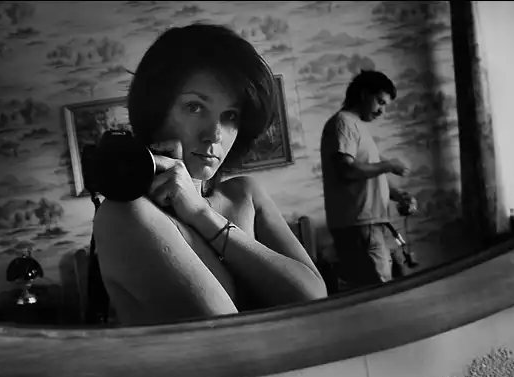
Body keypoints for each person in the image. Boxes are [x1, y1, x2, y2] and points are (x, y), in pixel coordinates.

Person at [93, 24, 327, 326]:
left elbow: (314, 298)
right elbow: (226, 337)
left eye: (230, 116)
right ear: (155, 110)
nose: (215, 135)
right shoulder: (126, 213)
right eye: (195, 107)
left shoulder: (245, 194)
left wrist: (201, 214)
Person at [319, 70, 416, 288]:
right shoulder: (344, 123)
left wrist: (399, 195)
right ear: (364, 94)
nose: (382, 111)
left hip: (366, 225)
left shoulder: (355, 125)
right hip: (360, 226)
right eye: (380, 102)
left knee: (382, 287)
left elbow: (368, 173)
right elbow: (347, 171)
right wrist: (389, 165)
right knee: (380, 292)